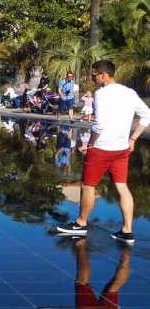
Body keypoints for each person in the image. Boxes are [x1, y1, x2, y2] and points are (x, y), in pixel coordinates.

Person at [57, 60, 150, 244]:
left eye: (94, 75)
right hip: (121, 149)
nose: (92, 78)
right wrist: (133, 139)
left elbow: (100, 125)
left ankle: (81, 223)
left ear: (104, 75)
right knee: (122, 187)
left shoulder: (102, 94)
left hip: (102, 148)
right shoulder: (129, 93)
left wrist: (90, 144)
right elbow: (147, 114)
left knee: (88, 185)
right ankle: (127, 231)